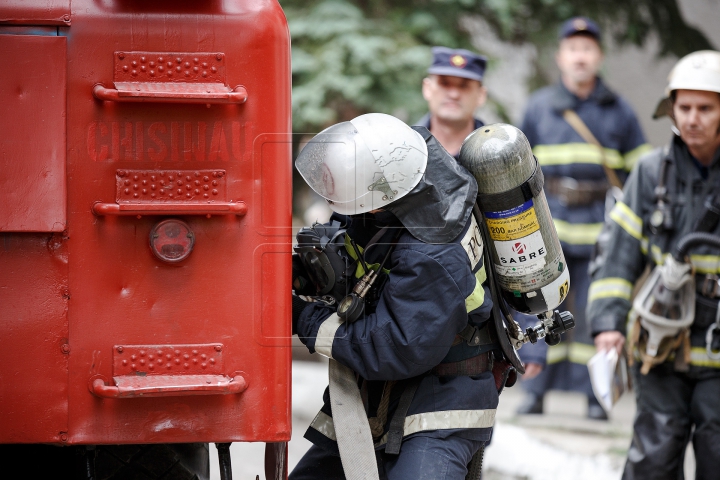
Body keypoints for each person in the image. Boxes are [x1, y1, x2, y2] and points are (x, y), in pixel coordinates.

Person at [290, 113, 513, 480]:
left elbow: (393, 348)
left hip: (441, 403)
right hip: (374, 395)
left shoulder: (431, 249)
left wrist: (304, 317)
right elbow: (357, 248)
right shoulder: (397, 190)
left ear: (379, 195)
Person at [587, 50, 720, 479]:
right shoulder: (650, 173)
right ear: (671, 110)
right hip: (660, 348)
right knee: (655, 454)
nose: (693, 118)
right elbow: (618, 253)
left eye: (706, 108)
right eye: (685, 107)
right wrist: (608, 323)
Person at [515, 17, 651, 419]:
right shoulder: (539, 107)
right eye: (573, 48)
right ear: (560, 57)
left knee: (599, 312)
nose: (580, 56)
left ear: (599, 57)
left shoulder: (619, 110)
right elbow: (518, 169)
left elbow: (642, 171)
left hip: (600, 231)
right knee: (542, 307)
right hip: (548, 228)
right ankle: (534, 392)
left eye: (587, 48)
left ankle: (597, 398)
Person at [416, 46, 488, 158]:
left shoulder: (497, 155)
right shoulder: (402, 147)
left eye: (464, 86)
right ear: (427, 88)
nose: (454, 94)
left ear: (481, 95)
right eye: (444, 84)